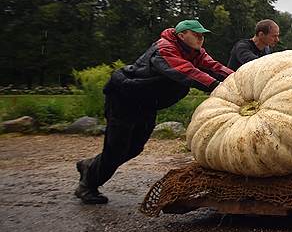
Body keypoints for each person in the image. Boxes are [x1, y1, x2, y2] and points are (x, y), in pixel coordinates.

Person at [74, 20, 234, 204]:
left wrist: (238, 77)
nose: (200, 38)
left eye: (202, 34)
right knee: (117, 147)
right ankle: (87, 185)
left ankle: (89, 166)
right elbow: (185, 71)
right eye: (195, 34)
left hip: (146, 102)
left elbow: (214, 66)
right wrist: (216, 85)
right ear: (182, 35)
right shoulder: (164, 49)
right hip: (124, 98)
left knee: (135, 148)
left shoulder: (195, 52)